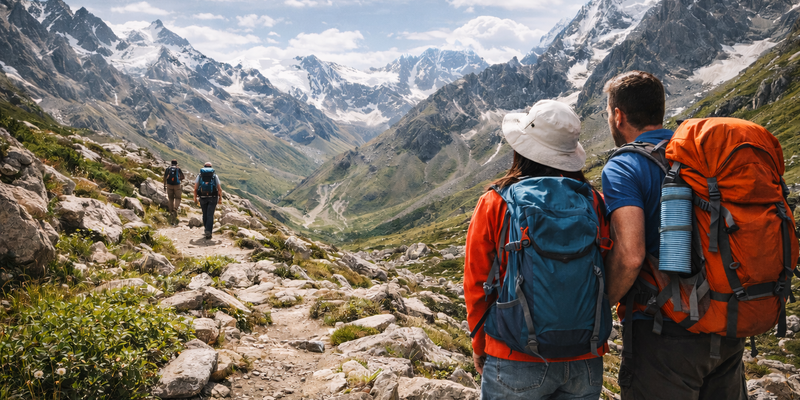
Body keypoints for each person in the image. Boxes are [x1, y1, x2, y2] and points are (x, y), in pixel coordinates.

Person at [601, 71, 746, 399]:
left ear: (618, 115)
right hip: (728, 321)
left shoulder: (625, 166)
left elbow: (630, 255)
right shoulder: (701, 154)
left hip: (665, 332)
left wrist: (601, 304)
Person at [464, 100, 610, 400]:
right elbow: (607, 269)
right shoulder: (594, 201)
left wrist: (480, 345)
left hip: (513, 355)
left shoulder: (496, 202)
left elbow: (478, 285)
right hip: (585, 356)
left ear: (523, 149)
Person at [193, 162, 223, 240]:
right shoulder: (214, 176)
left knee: (205, 214)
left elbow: (196, 188)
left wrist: (195, 197)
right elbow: (219, 188)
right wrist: (220, 198)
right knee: (210, 214)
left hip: (202, 197)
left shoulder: (200, 176)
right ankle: (208, 231)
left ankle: (207, 229)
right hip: (213, 197)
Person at [163, 159, 185, 225]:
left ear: (171, 163)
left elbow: (164, 177)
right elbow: (183, 177)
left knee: (171, 199)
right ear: (176, 163)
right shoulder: (178, 169)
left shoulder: (168, 169)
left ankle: (171, 212)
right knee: (178, 198)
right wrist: (179, 179)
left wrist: (164, 185)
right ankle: (175, 209)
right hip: (177, 185)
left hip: (169, 185)